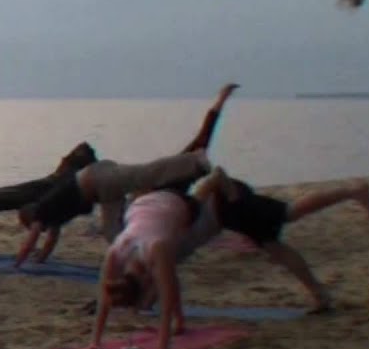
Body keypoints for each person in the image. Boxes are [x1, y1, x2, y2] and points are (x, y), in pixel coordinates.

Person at [14, 83, 239, 266]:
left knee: (148, 173)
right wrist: (41, 259)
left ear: (30, 216)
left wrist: (18, 264)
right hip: (105, 194)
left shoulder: (42, 211)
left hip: (99, 177)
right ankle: (134, 256)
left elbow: (31, 241)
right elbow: (51, 239)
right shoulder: (54, 214)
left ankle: (198, 162)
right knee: (114, 235)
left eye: (29, 225)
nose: (35, 229)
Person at [87, 168, 236, 349]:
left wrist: (163, 347)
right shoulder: (116, 251)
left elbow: (166, 299)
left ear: (145, 282)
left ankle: (214, 178)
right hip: (140, 205)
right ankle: (181, 321)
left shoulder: (156, 248)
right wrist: (95, 342)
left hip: (175, 205)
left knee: (197, 199)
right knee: (169, 272)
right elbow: (104, 298)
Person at [212, 176, 369, 312]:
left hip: (232, 205)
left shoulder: (190, 169)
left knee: (285, 223)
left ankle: (353, 191)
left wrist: (231, 194)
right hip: (229, 207)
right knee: (280, 234)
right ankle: (320, 295)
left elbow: (214, 172)